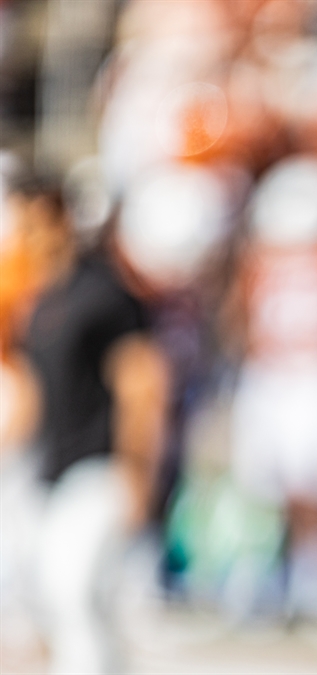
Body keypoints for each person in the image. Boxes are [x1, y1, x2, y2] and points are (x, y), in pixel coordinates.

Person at [18, 175, 170, 674]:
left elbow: (142, 384)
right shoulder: (41, 303)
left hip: (101, 464)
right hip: (54, 468)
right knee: (57, 598)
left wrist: (138, 469)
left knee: (73, 587)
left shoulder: (103, 294)